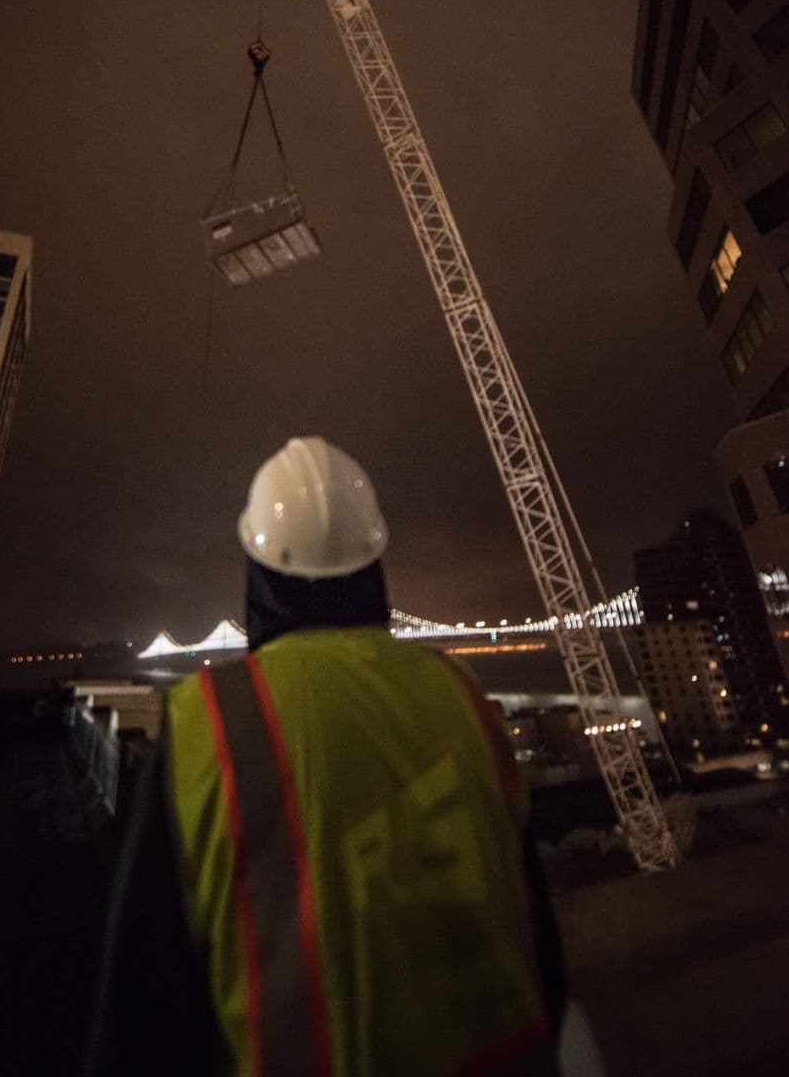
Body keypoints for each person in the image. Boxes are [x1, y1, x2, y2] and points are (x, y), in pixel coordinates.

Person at [85, 437, 566, 1077]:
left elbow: (139, 1016)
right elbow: (542, 944)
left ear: (258, 571)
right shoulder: (462, 696)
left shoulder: (209, 723)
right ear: (374, 562)